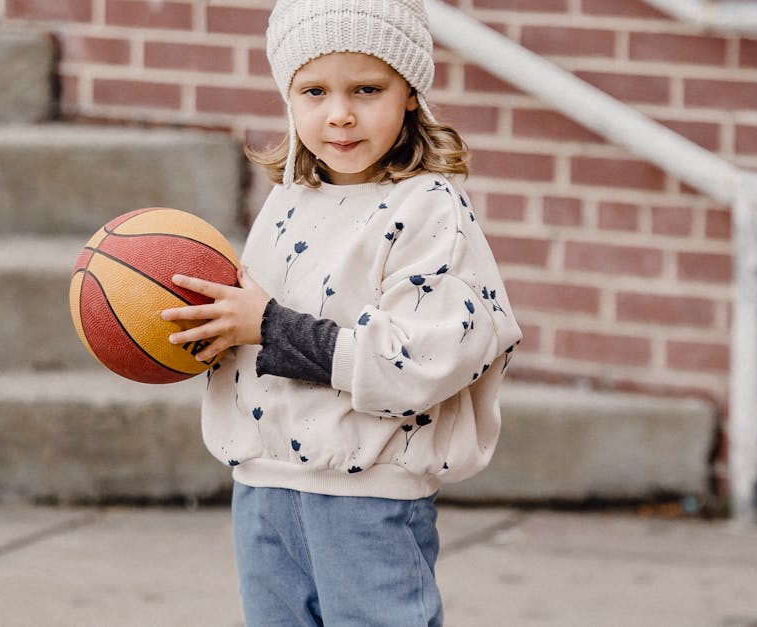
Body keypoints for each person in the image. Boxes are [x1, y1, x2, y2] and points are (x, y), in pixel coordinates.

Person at [160, 0, 522, 624]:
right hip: (263, 489)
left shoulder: (429, 210)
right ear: (288, 95)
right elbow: (254, 332)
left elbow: (418, 362)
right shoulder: (289, 199)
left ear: (410, 91)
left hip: (367, 501)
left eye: (366, 88)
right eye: (314, 90)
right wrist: (211, 333)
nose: (339, 114)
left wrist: (267, 326)